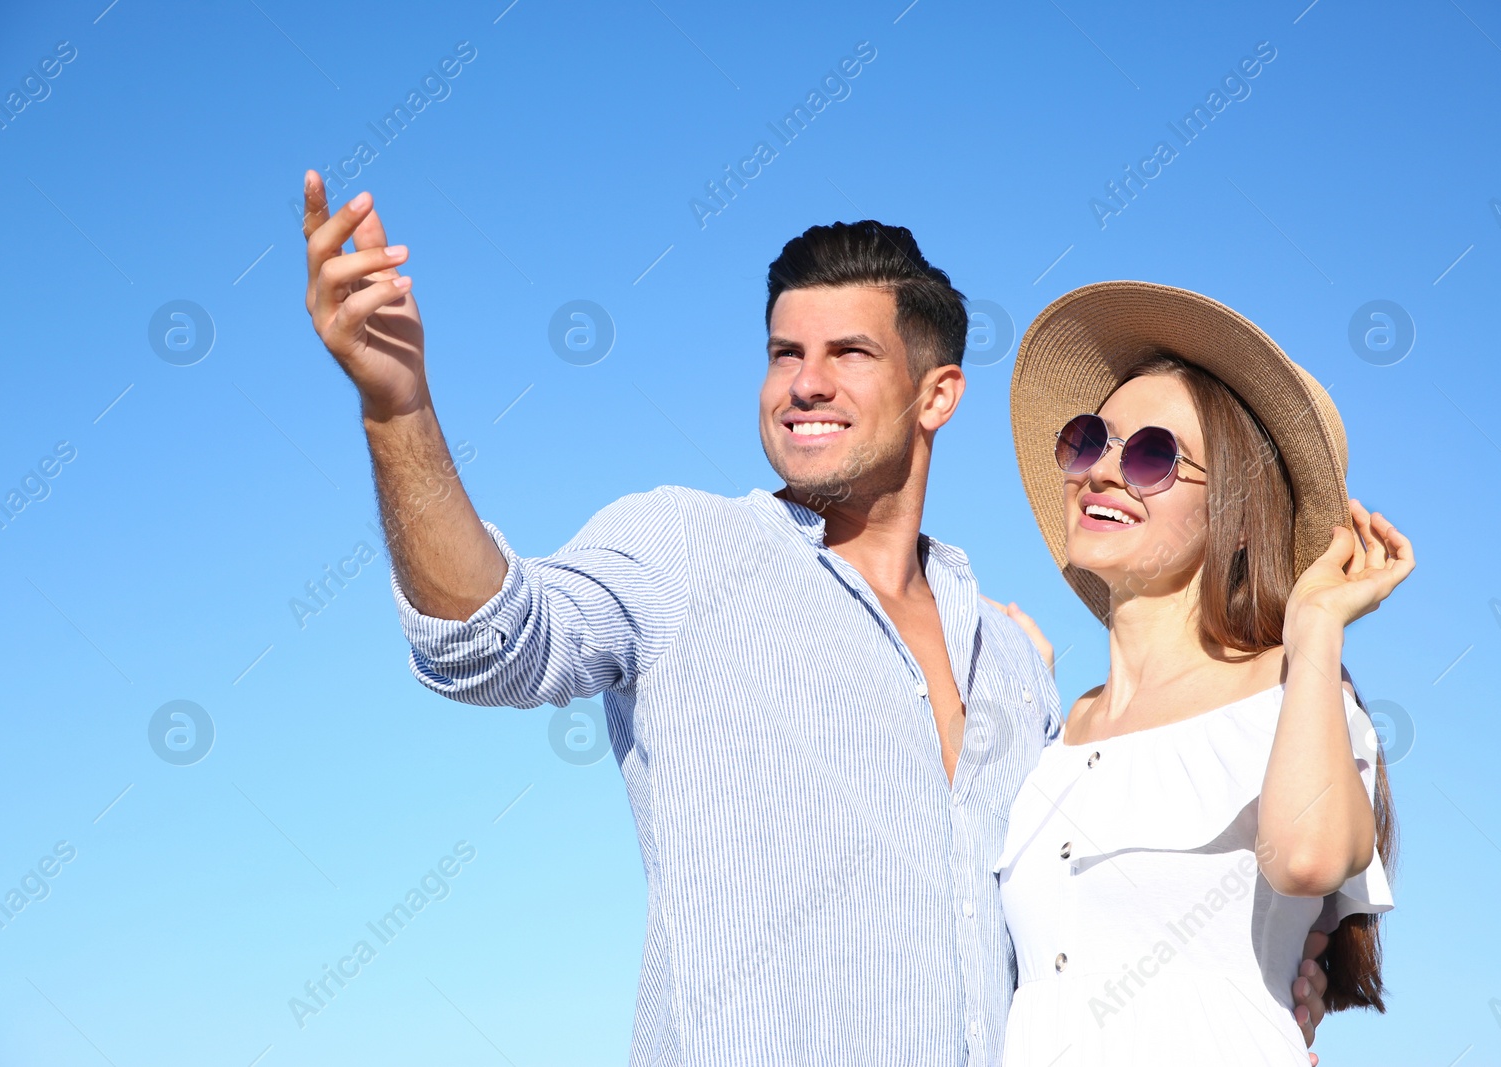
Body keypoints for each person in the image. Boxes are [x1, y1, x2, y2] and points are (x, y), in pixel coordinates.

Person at [298, 174, 1333, 1065]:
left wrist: (1268, 968)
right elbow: (487, 640)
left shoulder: (1015, 661)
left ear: (938, 395)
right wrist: (398, 410)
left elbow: (1079, 915)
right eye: (783, 351)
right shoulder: (683, 548)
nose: (804, 383)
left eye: (848, 353)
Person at [995, 282, 1409, 1064]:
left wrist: (1315, 624)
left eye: (1153, 454)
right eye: (1090, 439)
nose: (1104, 471)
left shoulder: (1293, 699)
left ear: (1236, 512)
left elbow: (1307, 856)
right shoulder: (1043, 733)